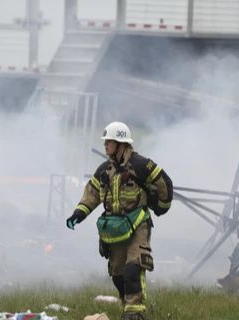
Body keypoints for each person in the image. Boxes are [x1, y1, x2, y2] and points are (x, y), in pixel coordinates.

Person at [65, 122, 173, 320]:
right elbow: (92, 194)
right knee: (117, 274)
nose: (105, 145)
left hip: (138, 225)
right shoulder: (104, 170)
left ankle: (135, 313)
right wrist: (78, 214)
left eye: (109, 142)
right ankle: (128, 305)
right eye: (106, 142)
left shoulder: (141, 165)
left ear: (121, 143)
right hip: (115, 229)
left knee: (133, 267)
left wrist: (162, 207)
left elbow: (164, 182)